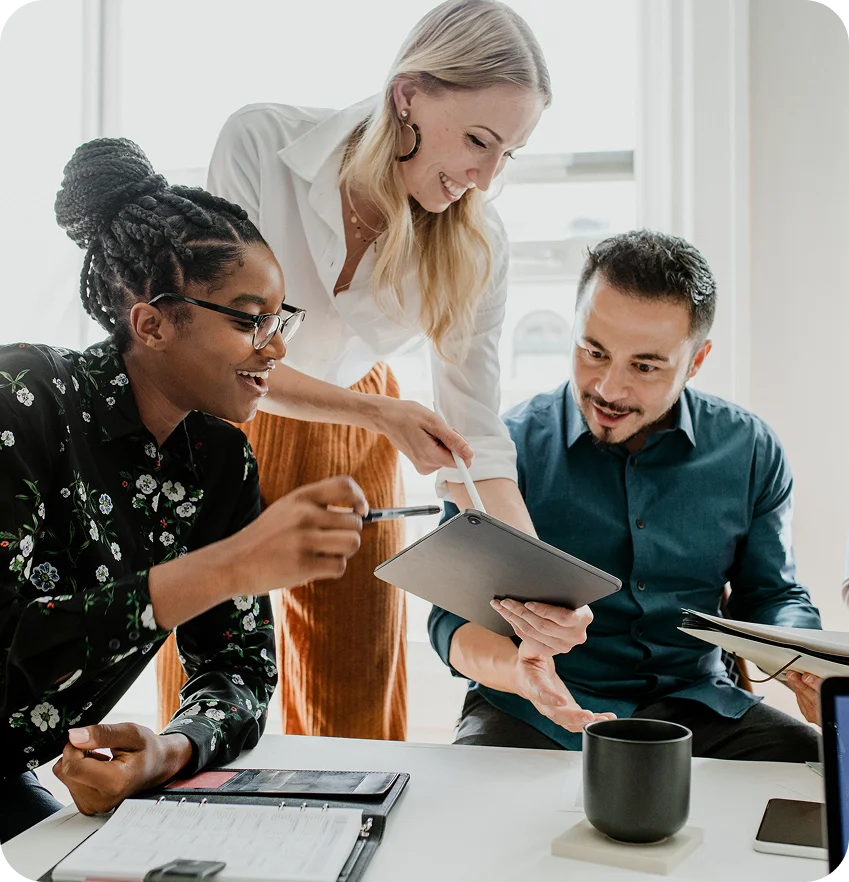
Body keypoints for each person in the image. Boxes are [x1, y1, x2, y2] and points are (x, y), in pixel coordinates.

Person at [156, 0, 591, 741]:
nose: (484, 178)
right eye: (477, 141)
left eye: (506, 155)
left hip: (351, 427)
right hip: (215, 420)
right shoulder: (263, 142)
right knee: (205, 683)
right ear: (409, 96)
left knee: (353, 687)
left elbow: (476, 440)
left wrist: (536, 589)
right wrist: (380, 416)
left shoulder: (478, 241)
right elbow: (223, 353)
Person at [0, 138, 368, 844]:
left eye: (278, 317)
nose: (277, 345)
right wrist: (227, 567)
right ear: (152, 323)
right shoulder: (22, 401)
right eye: (247, 317)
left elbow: (239, 666)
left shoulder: (219, 461)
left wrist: (168, 751)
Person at [429, 229, 824, 762]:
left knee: (818, 774)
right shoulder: (504, 449)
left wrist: (810, 663)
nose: (609, 389)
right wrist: (522, 677)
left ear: (696, 360)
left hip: (697, 708)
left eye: (644, 366)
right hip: (533, 710)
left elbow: (771, 596)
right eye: (593, 351)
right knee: (471, 821)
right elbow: (450, 620)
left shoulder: (749, 449)